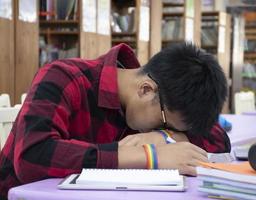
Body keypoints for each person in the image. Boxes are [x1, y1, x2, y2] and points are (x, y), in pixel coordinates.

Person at [0, 42, 230, 199]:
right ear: (146, 90)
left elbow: (219, 141)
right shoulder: (65, 77)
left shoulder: (162, 100)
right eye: (165, 122)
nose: (163, 128)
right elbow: (32, 156)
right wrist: (149, 156)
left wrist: (164, 136)